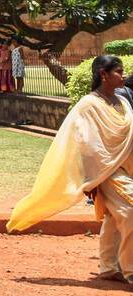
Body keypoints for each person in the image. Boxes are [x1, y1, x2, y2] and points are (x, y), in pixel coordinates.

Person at [8, 55, 133, 281]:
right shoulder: (88, 104)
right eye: (118, 71)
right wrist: (93, 176)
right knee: (130, 210)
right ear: (103, 75)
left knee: (115, 217)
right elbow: (84, 141)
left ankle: (108, 266)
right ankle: (131, 269)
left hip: (126, 166)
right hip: (105, 170)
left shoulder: (123, 102)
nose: (122, 75)